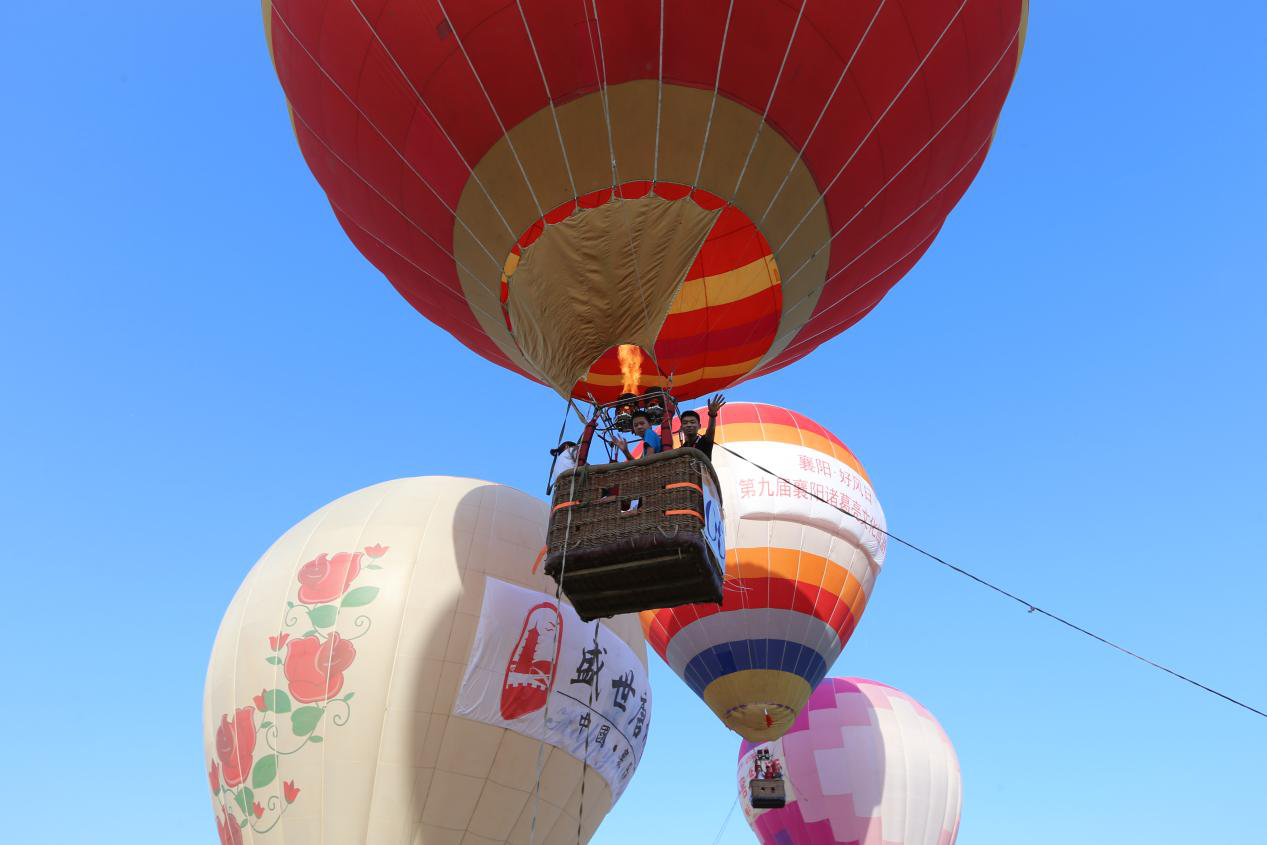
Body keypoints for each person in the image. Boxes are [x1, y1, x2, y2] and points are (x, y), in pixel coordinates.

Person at [678, 393, 726, 459]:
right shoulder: (681, 450)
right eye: (685, 423)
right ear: (681, 428)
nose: (689, 425)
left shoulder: (705, 441)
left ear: (699, 426)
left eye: (692, 422)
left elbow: (710, 431)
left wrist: (712, 415)